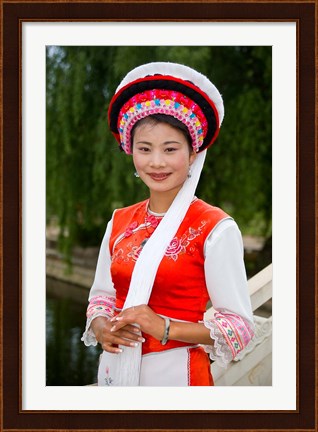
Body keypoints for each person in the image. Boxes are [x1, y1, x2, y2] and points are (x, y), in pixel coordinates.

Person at [81, 62, 255, 386]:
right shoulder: (119, 221)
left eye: (170, 149)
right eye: (144, 149)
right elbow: (102, 297)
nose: (156, 162)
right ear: (130, 151)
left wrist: (162, 326)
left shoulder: (215, 228)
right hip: (113, 373)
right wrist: (103, 327)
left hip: (178, 378)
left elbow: (239, 329)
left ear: (192, 154)